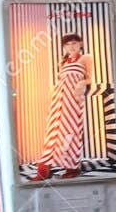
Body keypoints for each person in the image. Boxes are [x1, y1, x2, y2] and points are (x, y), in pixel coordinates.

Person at [33, 32, 92, 181]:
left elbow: (92, 77)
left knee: (70, 131)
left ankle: (72, 167)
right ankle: (44, 169)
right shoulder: (62, 62)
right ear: (64, 47)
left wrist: (81, 83)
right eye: (67, 44)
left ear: (81, 44)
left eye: (74, 43)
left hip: (73, 100)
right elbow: (61, 81)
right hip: (58, 99)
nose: (71, 47)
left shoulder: (86, 58)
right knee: (52, 132)